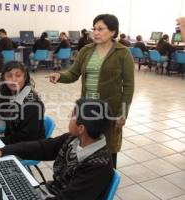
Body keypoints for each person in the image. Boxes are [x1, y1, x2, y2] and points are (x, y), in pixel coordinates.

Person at [0, 98, 113, 200]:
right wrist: (1, 151)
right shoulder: (73, 139)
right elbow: (41, 147)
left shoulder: (98, 166)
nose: (68, 117)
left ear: (81, 128)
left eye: (72, 116)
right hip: (50, 192)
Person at [47, 14, 134, 168]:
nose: (96, 32)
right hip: (87, 109)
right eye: (94, 29)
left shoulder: (123, 53)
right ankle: (88, 183)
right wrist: (59, 76)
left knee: (108, 149)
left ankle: (106, 184)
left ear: (113, 32)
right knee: (86, 147)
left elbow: (128, 85)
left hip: (109, 110)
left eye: (101, 29)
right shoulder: (86, 50)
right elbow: (73, 74)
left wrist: (123, 112)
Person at [0, 61, 45, 145]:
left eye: (18, 76)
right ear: (3, 78)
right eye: (9, 76)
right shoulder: (10, 93)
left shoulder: (32, 105)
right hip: (13, 140)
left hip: (27, 148)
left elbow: (27, 137)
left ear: (25, 78)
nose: (13, 80)